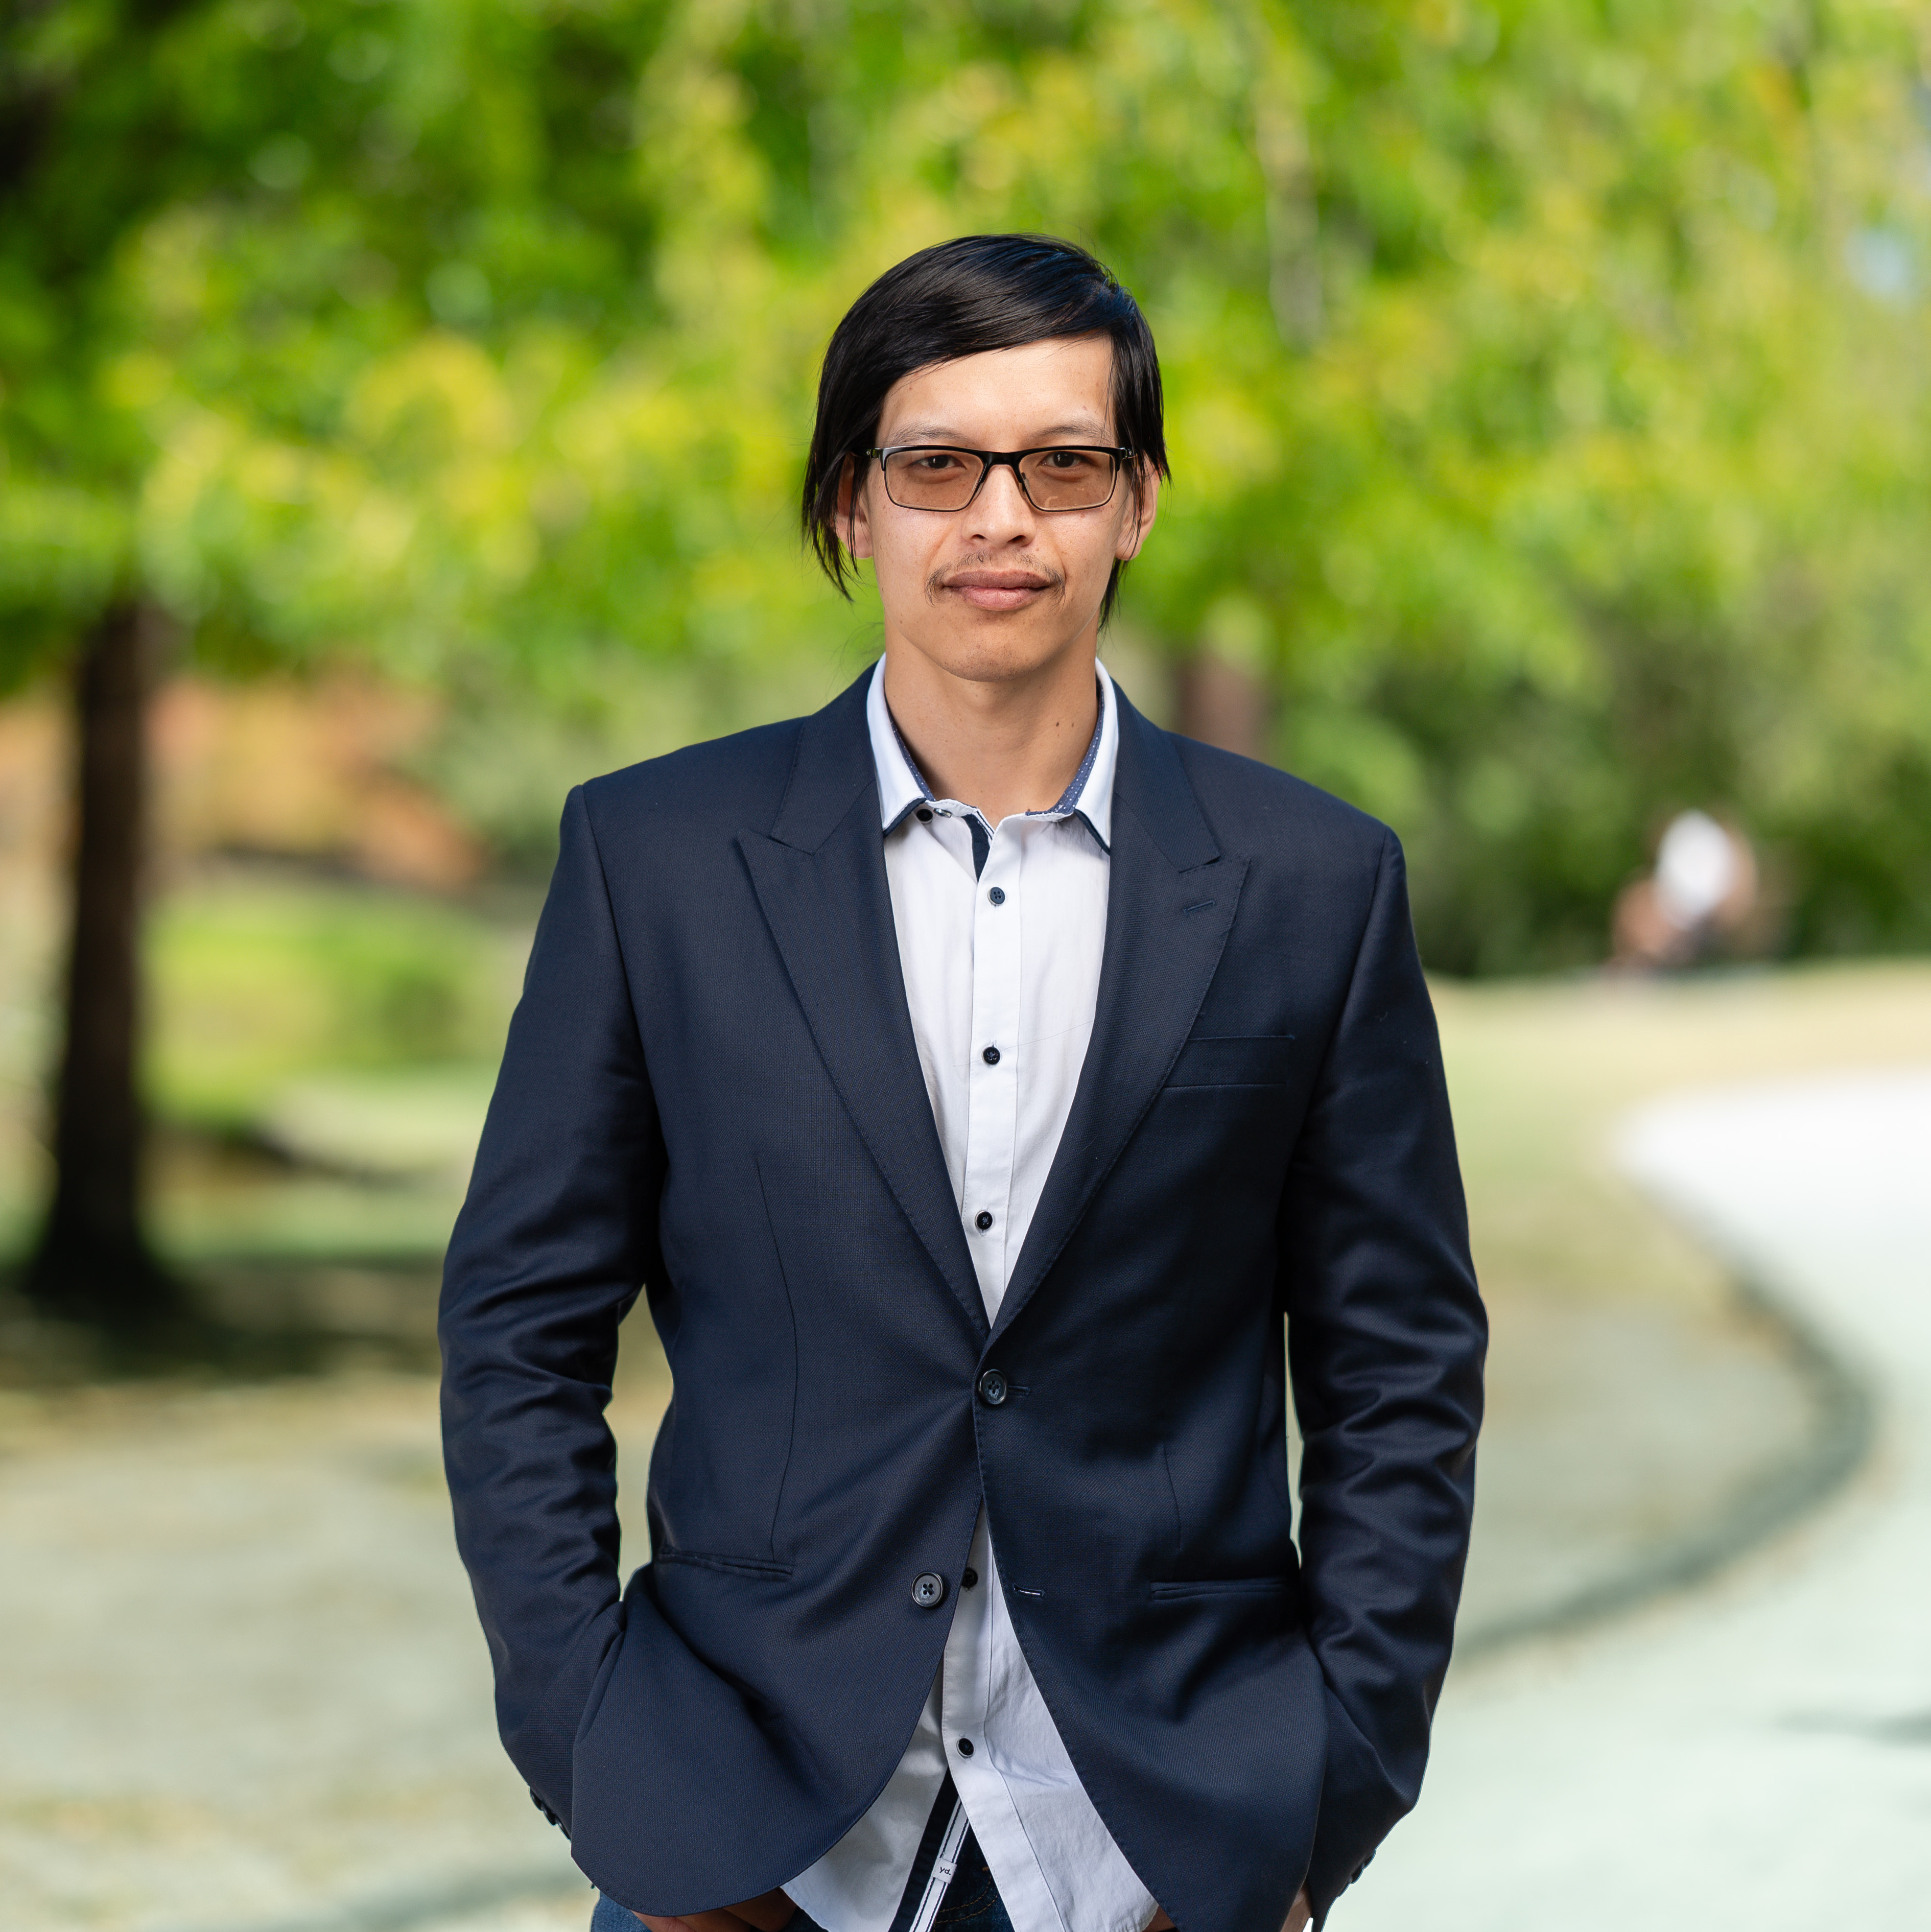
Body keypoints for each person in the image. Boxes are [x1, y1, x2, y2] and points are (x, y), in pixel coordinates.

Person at [439, 234, 1485, 1932]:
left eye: (1062, 464)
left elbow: (1400, 1373)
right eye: (936, 465)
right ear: (851, 506)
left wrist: (1322, 1796)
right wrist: (600, 1761)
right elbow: (516, 1335)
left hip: (1161, 1841)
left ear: (1133, 504)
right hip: (742, 1837)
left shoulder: (1313, 883)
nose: (1001, 519)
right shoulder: (655, 860)